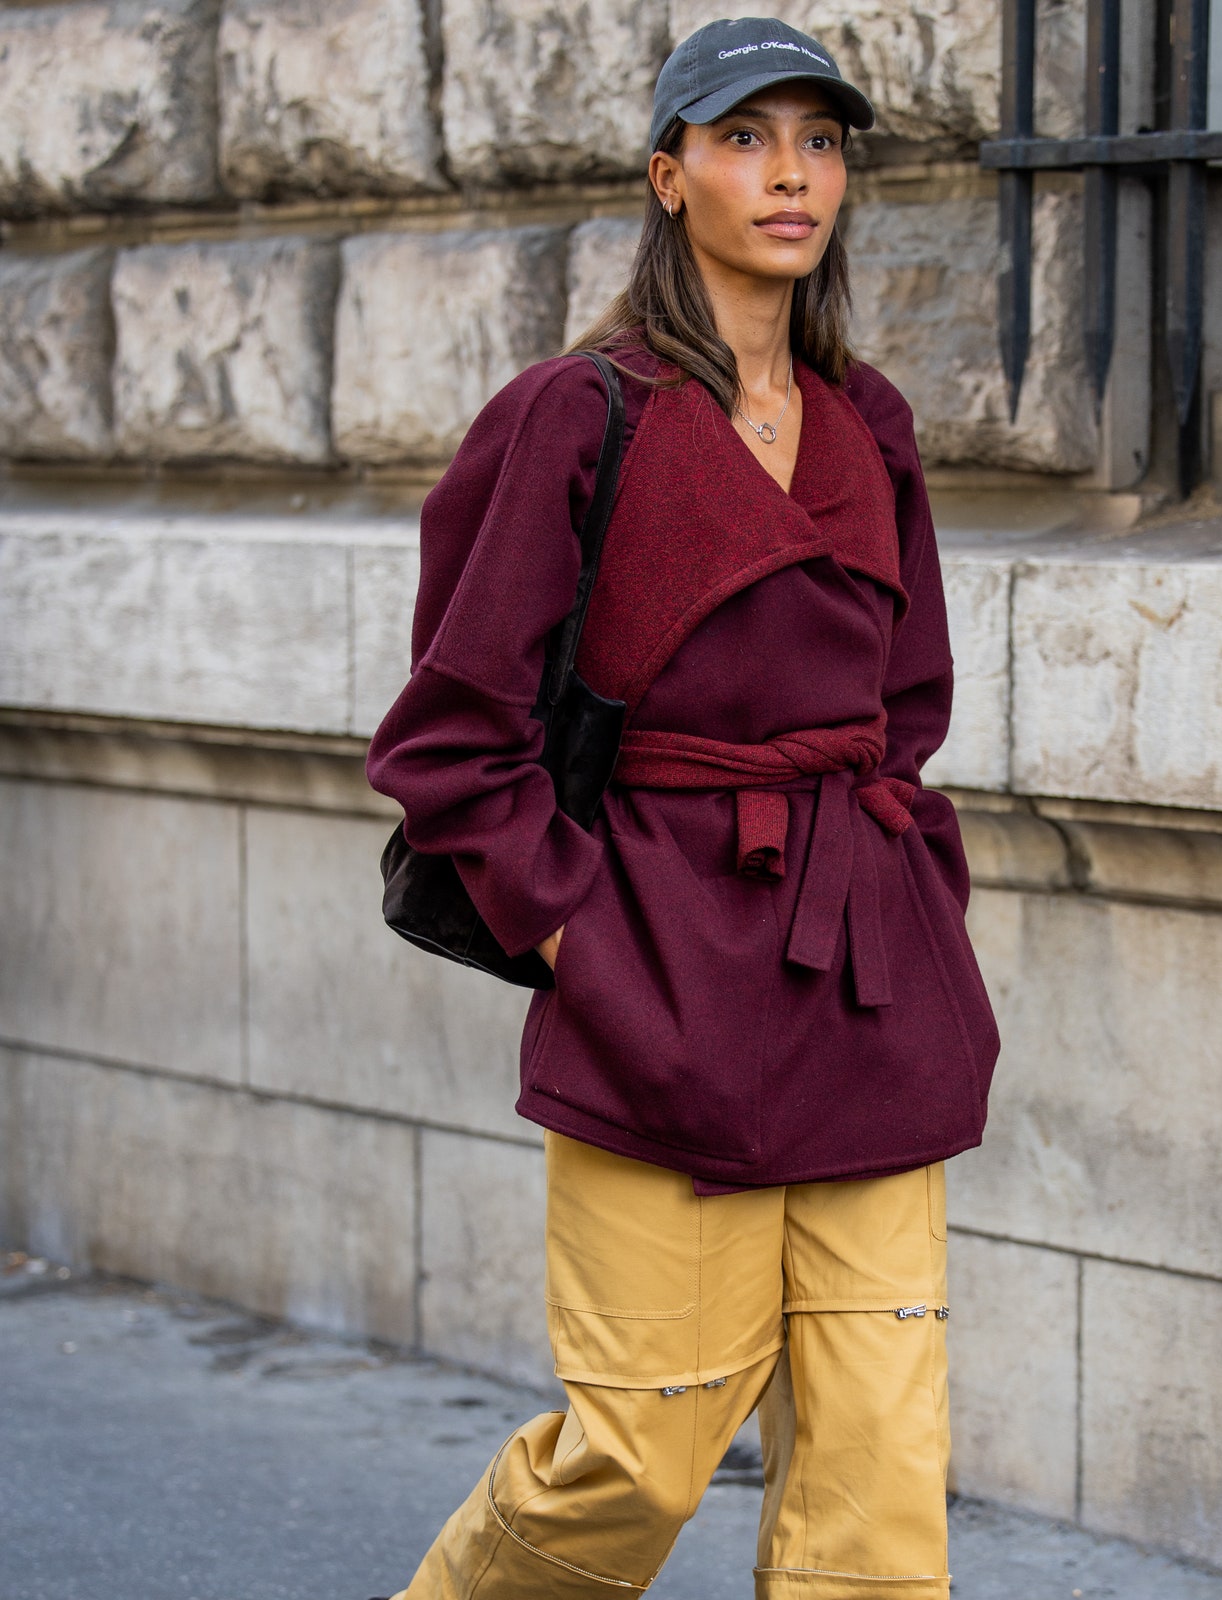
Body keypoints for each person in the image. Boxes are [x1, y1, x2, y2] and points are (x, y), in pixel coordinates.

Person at [366, 15, 1000, 1598]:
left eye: (821, 140)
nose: (790, 172)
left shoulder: (871, 426)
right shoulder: (576, 417)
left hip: (863, 978)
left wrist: (911, 891)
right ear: (668, 177)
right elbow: (453, 742)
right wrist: (592, 948)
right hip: (661, 979)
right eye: (743, 138)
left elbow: (902, 711)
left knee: (878, 1473)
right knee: (636, 1456)